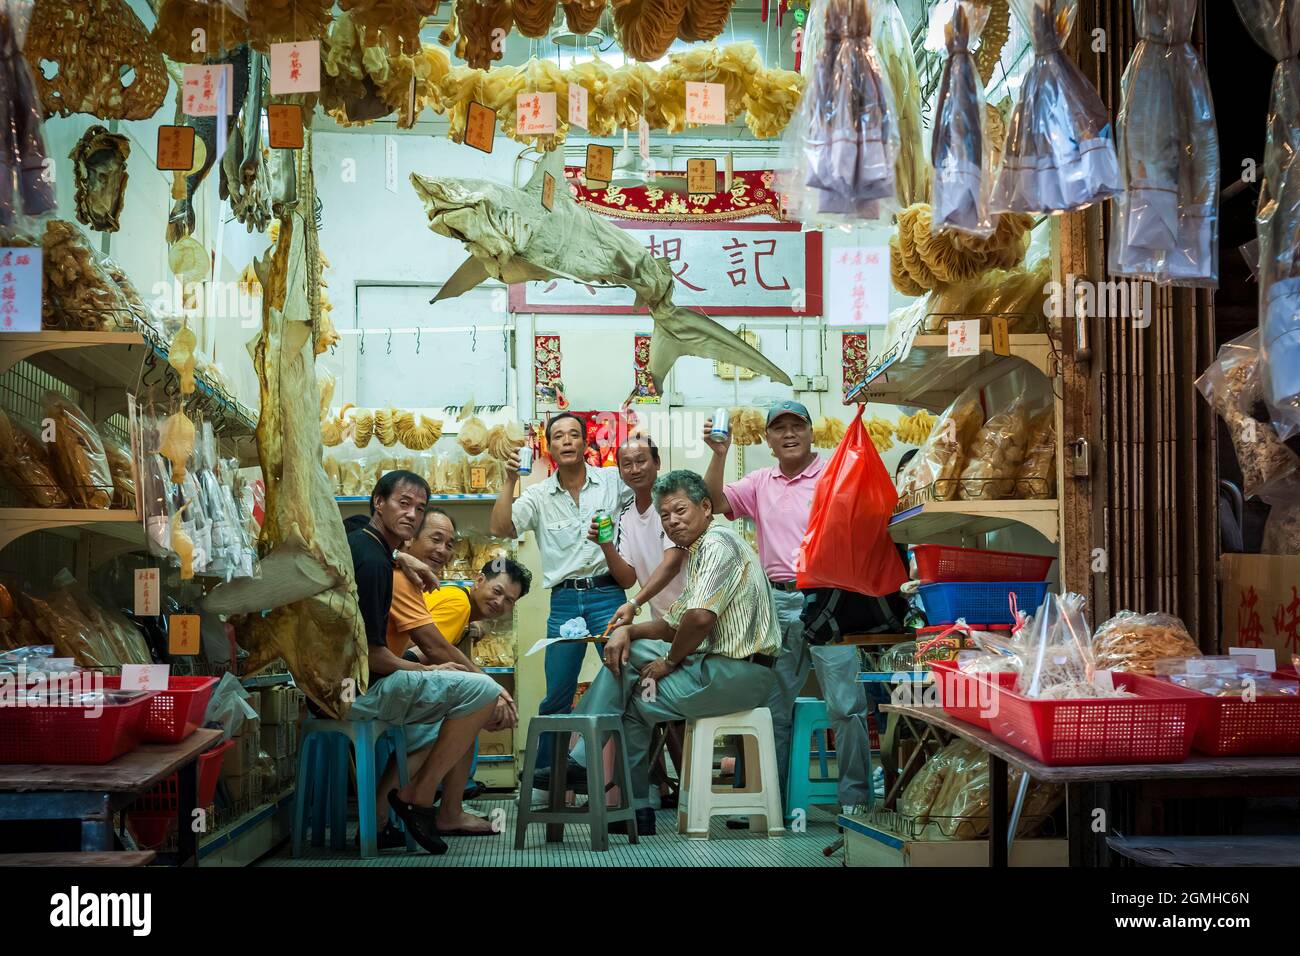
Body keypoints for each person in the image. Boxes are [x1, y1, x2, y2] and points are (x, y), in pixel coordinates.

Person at [536, 470, 781, 836]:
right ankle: (629, 804)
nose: (673, 521)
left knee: (633, 702)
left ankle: (598, 775)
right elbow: (673, 623)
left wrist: (669, 662)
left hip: (739, 674)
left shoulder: (717, 544)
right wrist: (626, 630)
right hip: (726, 670)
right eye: (665, 516)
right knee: (633, 673)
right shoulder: (699, 554)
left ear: (705, 506)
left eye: (680, 510)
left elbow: (698, 619)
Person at [702, 399, 875, 813]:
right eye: (779, 428)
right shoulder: (761, 482)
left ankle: (855, 800)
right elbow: (713, 502)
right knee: (772, 709)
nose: (789, 434)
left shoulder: (835, 473)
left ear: (812, 431)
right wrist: (719, 454)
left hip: (831, 599)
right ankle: (769, 802)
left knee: (846, 706)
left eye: (797, 425)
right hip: (776, 602)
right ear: (768, 440)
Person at [347, 471, 502, 854]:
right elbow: (376, 654)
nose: (412, 514)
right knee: (479, 693)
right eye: (404, 503)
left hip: (355, 683)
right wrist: (431, 671)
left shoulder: (376, 551)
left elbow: (350, 524)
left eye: (419, 508)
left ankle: (388, 815)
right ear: (378, 502)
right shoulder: (379, 565)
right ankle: (418, 798)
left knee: (461, 706)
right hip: (356, 689)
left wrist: (400, 555)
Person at [490, 411, 632, 769]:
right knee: (557, 694)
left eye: (573, 435)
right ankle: (545, 778)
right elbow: (501, 527)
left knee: (625, 681)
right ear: (549, 446)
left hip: (608, 595)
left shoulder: (613, 482)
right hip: (565, 600)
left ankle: (631, 783)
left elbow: (648, 495)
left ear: (586, 443)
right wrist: (509, 480)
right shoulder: (538, 495)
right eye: (558, 436)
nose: (566, 441)